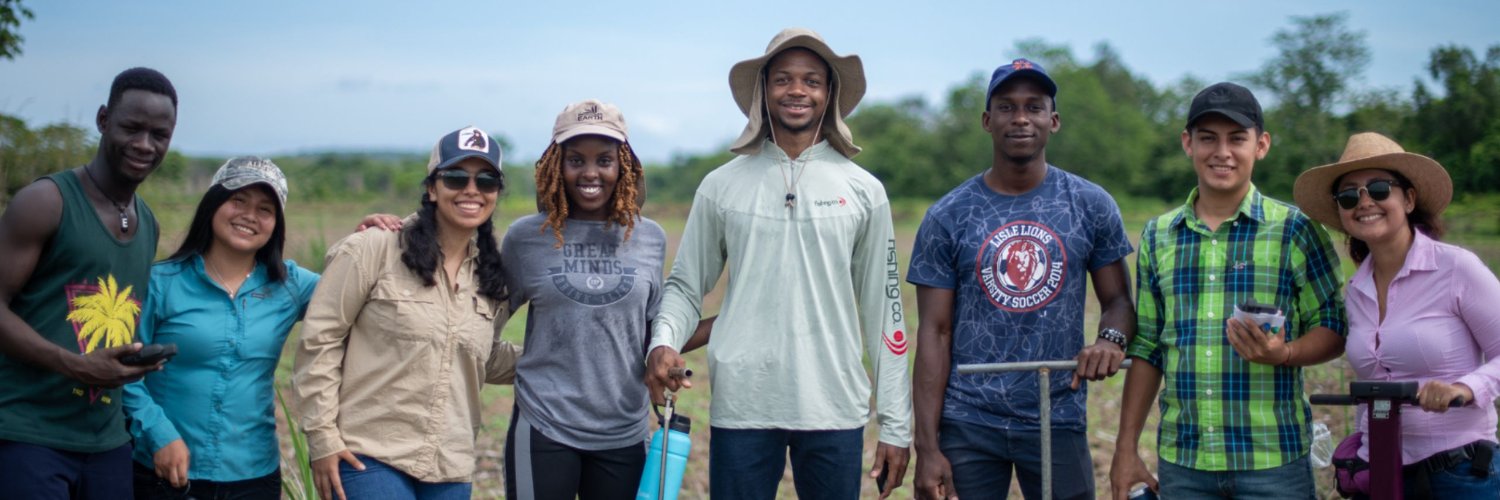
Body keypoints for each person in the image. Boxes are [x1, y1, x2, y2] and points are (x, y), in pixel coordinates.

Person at [644, 27, 912, 499]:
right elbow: (686, 286)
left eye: (812, 80)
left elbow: (884, 311)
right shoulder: (722, 186)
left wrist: (895, 424)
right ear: (762, 91)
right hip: (743, 404)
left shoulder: (863, 191)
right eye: (783, 79)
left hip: (834, 404)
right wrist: (663, 341)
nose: (797, 91)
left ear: (829, 94)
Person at [907, 58, 1136, 500]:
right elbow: (934, 332)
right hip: (968, 419)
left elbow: (1119, 302)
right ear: (987, 121)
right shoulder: (948, 215)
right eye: (1007, 107)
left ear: (1054, 120)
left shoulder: (1090, 204)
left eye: (1034, 107)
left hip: (1058, 413)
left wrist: (1111, 340)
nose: (1020, 118)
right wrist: (927, 448)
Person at [1109, 82, 1347, 500]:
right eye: (1208, 139)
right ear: (1188, 143)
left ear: (1261, 145)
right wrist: (1125, 448)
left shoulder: (1295, 230)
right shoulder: (1159, 236)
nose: (1222, 152)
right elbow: (1147, 346)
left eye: (1237, 139)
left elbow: (1333, 326)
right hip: (1185, 461)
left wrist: (1285, 353)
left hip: (1274, 461)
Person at [291, 126, 521, 500]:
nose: (472, 190)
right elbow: (321, 339)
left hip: (449, 463)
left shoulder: (490, 276)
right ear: (432, 188)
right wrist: (322, 438)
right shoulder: (374, 248)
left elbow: (483, 357)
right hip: (367, 454)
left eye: (486, 181)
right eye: (456, 177)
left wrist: (559, 360)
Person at [501, 99, 709, 499]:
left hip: (623, 432)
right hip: (544, 424)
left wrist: (729, 318)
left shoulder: (649, 238)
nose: (590, 172)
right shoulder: (526, 238)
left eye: (604, 160)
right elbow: (480, 318)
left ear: (623, 167)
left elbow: (656, 335)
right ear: (556, 165)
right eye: (576, 160)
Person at [1292, 132, 1500, 498]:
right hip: (1380, 472)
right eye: (1349, 195)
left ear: (1409, 199)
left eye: (1379, 188)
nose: (1364, 201)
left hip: (1460, 474)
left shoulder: (1456, 268)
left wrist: (1464, 388)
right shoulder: (1355, 291)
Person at [0, 67, 177, 498]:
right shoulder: (45, 202)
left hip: (107, 442)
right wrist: (76, 365)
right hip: (28, 435)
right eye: (132, 128)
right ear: (103, 120)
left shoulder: (148, 222)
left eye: (159, 134)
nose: (145, 145)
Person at [119, 158, 309, 499]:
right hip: (164, 472)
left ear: (276, 224)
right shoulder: (161, 282)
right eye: (238, 200)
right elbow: (122, 369)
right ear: (213, 204)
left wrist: (369, 236)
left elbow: (355, 289)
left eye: (265, 209)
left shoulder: (290, 285)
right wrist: (158, 433)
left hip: (254, 476)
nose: (249, 215)